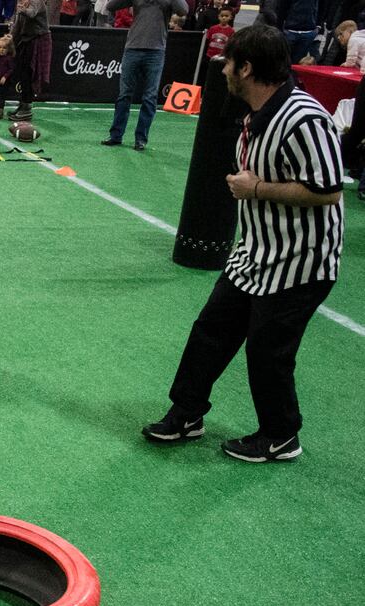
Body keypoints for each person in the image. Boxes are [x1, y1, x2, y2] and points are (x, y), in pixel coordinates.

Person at [142, 25, 344, 462]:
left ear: (247, 68)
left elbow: (328, 189)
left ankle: (281, 435)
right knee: (210, 331)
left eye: (229, 63)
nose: (224, 71)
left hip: (302, 262)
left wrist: (256, 189)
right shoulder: (257, 114)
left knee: (268, 352)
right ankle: (187, 413)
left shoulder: (305, 119)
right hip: (255, 254)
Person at [102, 0, 190, 148]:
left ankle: (141, 139)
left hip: (156, 51)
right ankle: (116, 136)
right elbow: (111, 6)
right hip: (133, 48)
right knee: (124, 95)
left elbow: (183, 10)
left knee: (150, 97)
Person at [7, 0, 50, 122]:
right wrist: (9, 41)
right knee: (22, 74)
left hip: (38, 40)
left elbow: (32, 13)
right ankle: (23, 104)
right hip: (26, 39)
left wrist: (22, 9)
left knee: (29, 75)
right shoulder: (21, 3)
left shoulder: (37, 1)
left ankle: (27, 107)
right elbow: (17, 26)